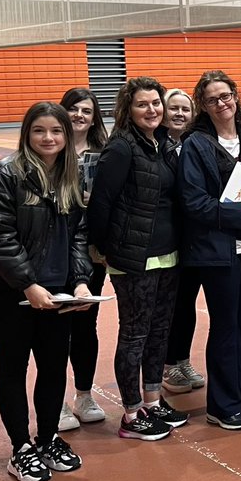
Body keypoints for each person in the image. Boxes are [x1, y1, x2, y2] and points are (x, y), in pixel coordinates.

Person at [0, 102, 94, 481]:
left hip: (56, 293)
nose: (49, 138)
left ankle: (49, 437)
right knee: (13, 366)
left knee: (54, 366)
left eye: (56, 131)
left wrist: (80, 279)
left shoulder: (70, 176)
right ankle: (20, 447)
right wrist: (27, 283)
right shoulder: (5, 174)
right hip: (4, 291)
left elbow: (79, 234)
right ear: (27, 134)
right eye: (40, 130)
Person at [87, 77, 188, 441]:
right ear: (128, 109)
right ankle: (131, 413)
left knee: (159, 332)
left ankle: (152, 399)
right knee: (135, 333)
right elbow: (101, 203)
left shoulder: (162, 144)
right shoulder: (121, 148)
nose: (152, 110)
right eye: (143, 104)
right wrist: (104, 248)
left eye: (156, 104)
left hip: (168, 253)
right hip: (133, 258)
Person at [180, 70, 241, 431]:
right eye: (212, 99)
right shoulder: (196, 144)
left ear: (236, 97)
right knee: (224, 325)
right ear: (202, 106)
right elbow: (194, 203)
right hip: (217, 251)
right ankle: (221, 405)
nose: (221, 103)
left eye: (226, 96)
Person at [57, 87, 109, 431]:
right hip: (54, 249)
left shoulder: (104, 153)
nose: (79, 115)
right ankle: (56, 400)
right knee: (54, 329)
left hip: (92, 250)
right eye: (74, 109)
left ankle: (84, 394)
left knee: (85, 323)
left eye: (86, 111)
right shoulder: (51, 151)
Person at [160, 88, 208, 394]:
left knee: (187, 302)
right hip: (165, 239)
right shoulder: (156, 146)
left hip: (192, 239)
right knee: (168, 305)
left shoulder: (194, 144)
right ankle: (166, 366)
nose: (179, 114)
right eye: (173, 108)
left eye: (185, 109)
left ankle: (182, 359)